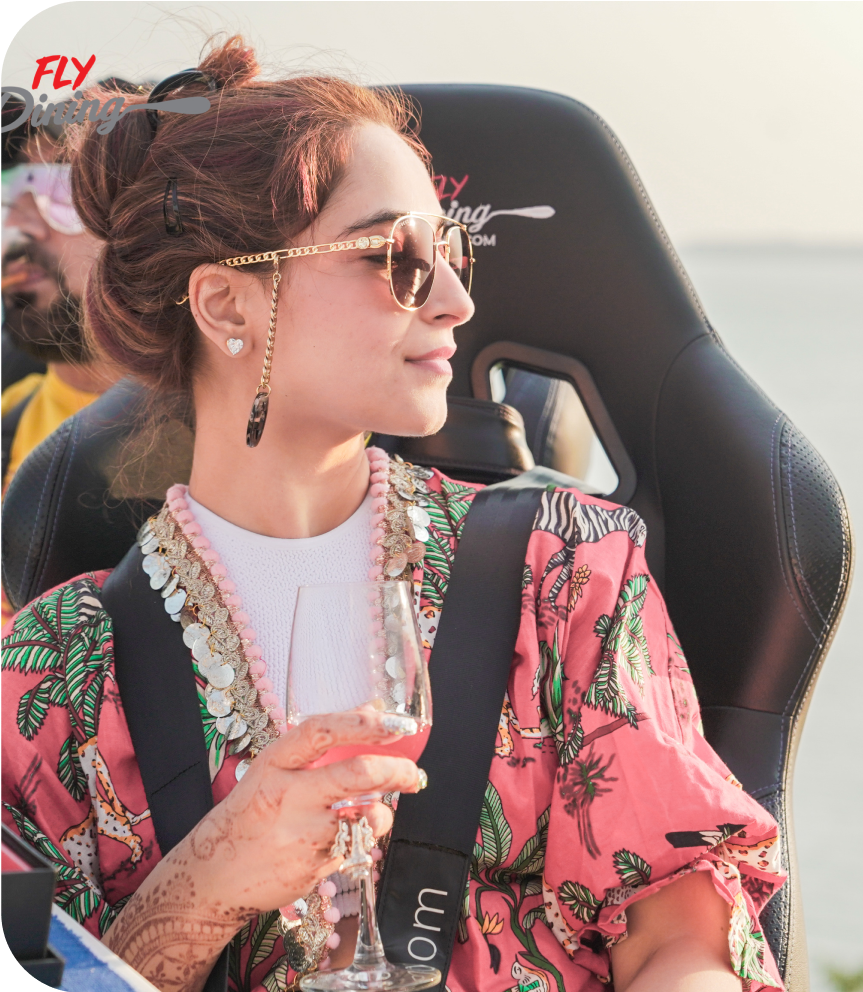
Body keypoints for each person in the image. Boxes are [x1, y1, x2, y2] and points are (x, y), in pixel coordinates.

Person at [0, 39, 786, 992]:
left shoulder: (565, 572)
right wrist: (204, 883)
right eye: (393, 257)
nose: (454, 301)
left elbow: (681, 941)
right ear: (226, 303)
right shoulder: (55, 674)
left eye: (449, 253)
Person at [0, 98, 116, 626]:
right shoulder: (10, 418)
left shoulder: (258, 429)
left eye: (57, 191)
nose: (20, 226)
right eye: (6, 193)